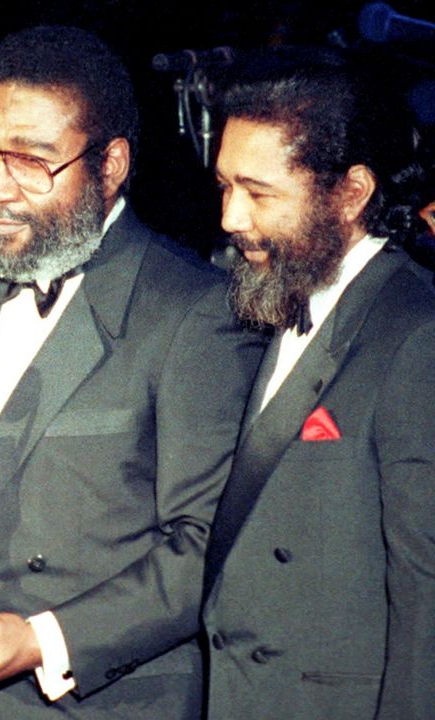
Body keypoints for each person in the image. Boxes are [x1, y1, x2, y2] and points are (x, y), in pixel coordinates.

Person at [0, 26, 263, 718]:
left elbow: (208, 547)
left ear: (110, 165)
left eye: (32, 161)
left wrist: (40, 640)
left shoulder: (195, 314)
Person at [204, 50, 435, 719]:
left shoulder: (415, 335)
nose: (230, 217)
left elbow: (427, 604)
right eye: (224, 185)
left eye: (259, 192)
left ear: (352, 192)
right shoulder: (284, 289)